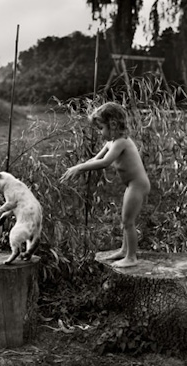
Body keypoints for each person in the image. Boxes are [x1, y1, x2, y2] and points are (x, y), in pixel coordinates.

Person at [59, 102, 150, 268]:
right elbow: (96, 159)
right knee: (125, 219)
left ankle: (132, 257)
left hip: (138, 185)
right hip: (131, 184)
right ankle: (124, 250)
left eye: (101, 128)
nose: (100, 133)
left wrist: (79, 168)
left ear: (113, 124)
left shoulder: (121, 142)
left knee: (128, 221)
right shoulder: (112, 142)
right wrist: (77, 168)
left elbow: (105, 162)